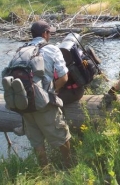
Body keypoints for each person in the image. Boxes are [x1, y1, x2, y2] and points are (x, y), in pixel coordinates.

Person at [18, 21, 71, 168]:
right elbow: (64, 77)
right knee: (61, 136)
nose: (50, 35)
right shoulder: (52, 49)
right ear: (44, 34)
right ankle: (69, 167)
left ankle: (45, 172)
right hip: (43, 102)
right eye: (49, 33)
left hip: (24, 103)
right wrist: (52, 91)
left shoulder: (22, 49)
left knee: (37, 142)